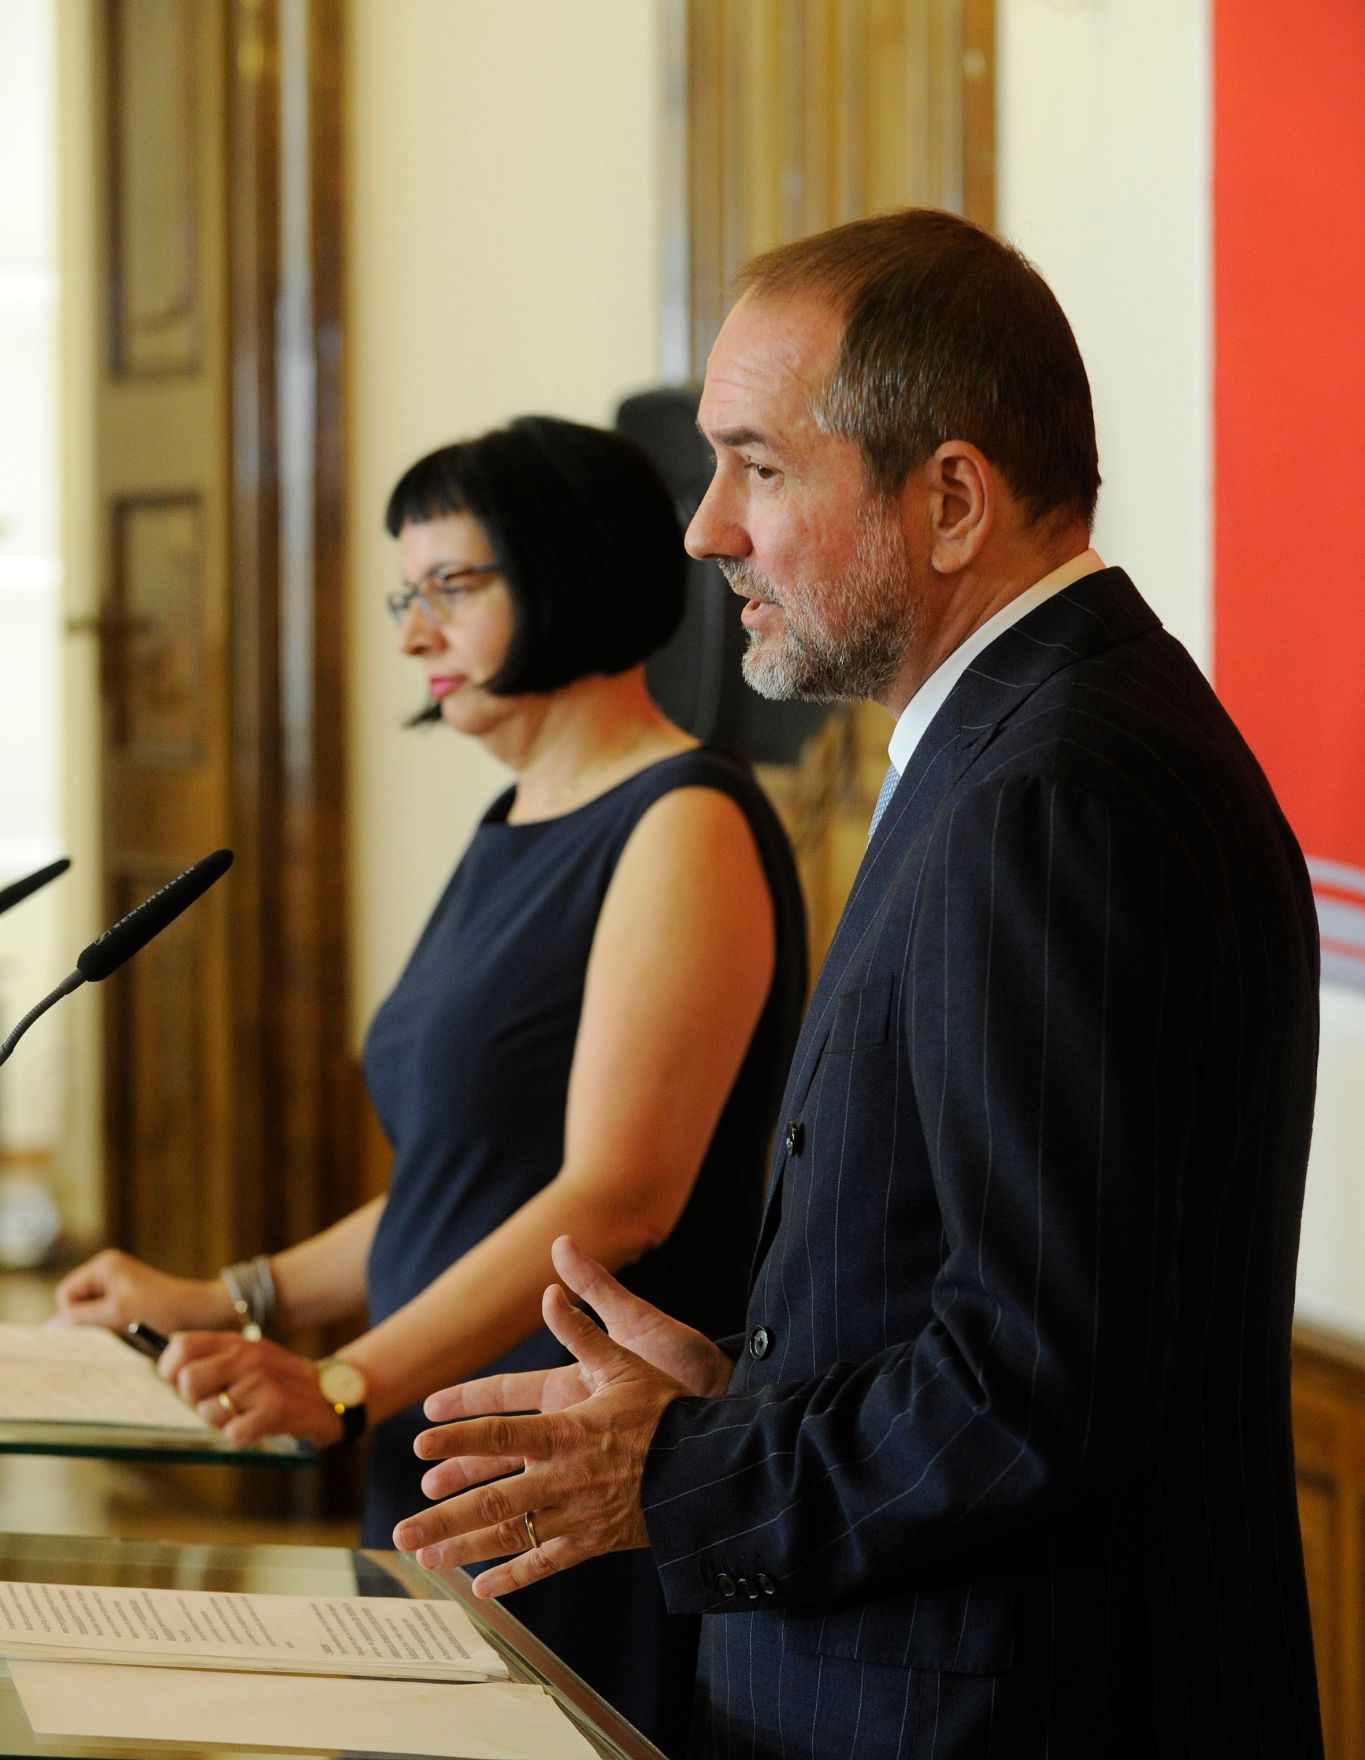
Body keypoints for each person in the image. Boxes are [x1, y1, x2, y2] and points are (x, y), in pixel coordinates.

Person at [389, 212, 1325, 1759]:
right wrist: (745, 1396)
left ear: (950, 498)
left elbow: (1037, 1385)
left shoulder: (1049, 794)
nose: (703, 531)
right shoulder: (1030, 740)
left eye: (756, 467)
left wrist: (678, 1474)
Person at [55, 414, 807, 1755]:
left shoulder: (683, 823)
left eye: (453, 589)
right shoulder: (513, 818)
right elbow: (457, 1186)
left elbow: (613, 1199)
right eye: (408, 597)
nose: (413, 634)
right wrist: (234, 1297)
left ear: (569, 571)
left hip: (569, 1463)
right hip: (435, 1437)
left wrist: (342, 1380)